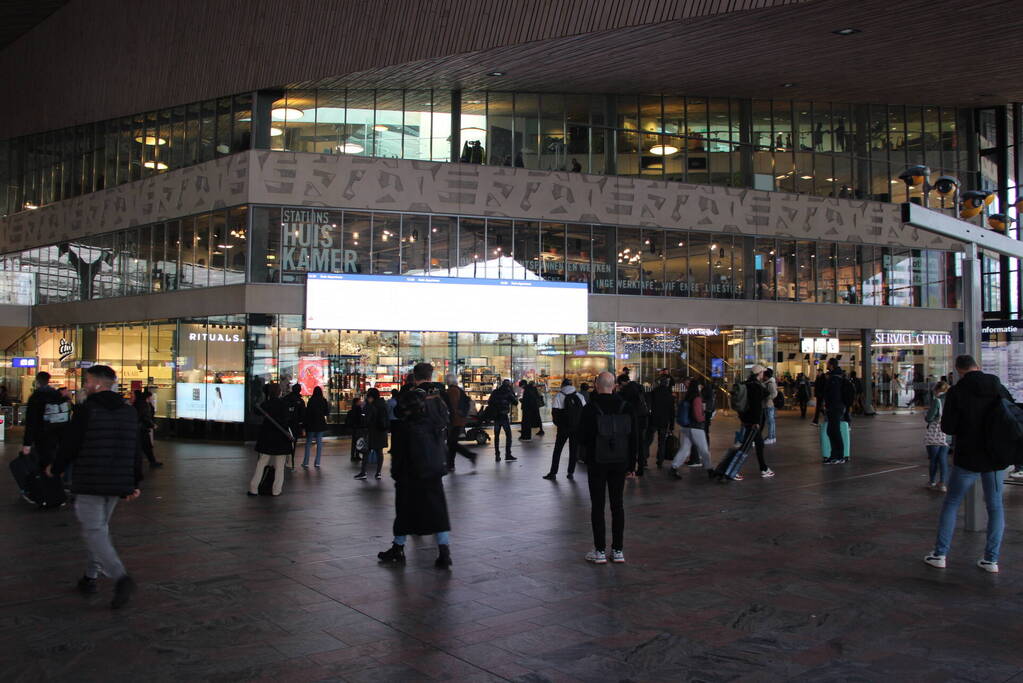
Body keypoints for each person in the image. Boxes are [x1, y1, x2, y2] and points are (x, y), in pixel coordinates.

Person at [46, 365, 141, 609]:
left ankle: (120, 577)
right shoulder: (129, 412)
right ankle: (90, 576)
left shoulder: (88, 410)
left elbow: (71, 445)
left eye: (87, 381)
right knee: (100, 530)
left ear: (97, 383)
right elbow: (135, 449)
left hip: (91, 479)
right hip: (117, 481)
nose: (85, 385)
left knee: (94, 531)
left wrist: (56, 469)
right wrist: (134, 483)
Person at [925, 355, 1012, 573]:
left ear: (958, 370)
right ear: (978, 367)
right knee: (995, 506)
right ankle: (991, 560)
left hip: (968, 458)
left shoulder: (957, 391)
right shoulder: (997, 386)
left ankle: (940, 554)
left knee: (952, 503)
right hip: (995, 458)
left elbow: (948, 427)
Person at [377, 363, 454, 568]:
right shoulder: (439, 399)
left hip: (412, 463)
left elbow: (400, 423)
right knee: (437, 506)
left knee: (404, 506)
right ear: (431, 375)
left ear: (414, 376)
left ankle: (398, 547)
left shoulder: (412, 401)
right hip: (434, 460)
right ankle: (444, 550)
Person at [579, 371, 630, 564]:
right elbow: (633, 437)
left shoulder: (590, 408)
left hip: (597, 461)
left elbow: (582, 437)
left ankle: (599, 550)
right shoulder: (626, 406)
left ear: (596, 385)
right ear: (614, 386)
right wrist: (632, 464)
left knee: (598, 505)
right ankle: (618, 550)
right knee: (618, 505)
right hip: (620, 461)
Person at [248, 383, 293, 496]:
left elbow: (256, 411)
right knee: (279, 466)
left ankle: (253, 488)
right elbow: (287, 419)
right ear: (279, 392)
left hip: (267, 438)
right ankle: (276, 490)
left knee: (261, 463)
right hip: (281, 439)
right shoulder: (283, 404)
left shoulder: (266, 404)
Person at [22, 371, 72, 470]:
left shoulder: (36, 397)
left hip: (42, 436)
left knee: (42, 463)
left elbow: (31, 421)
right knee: (55, 463)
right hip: (59, 437)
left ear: (37, 381)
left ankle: (44, 481)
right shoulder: (58, 395)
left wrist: (27, 443)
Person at [737, 365, 774, 478]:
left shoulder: (747, 384)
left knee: (758, 444)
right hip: (753, 421)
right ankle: (733, 469)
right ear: (759, 373)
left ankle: (763, 468)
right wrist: (756, 422)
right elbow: (756, 406)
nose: (763, 374)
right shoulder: (756, 387)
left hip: (747, 419)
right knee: (746, 446)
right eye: (762, 372)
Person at [544, 379, 585, 480]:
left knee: (558, 450)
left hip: (563, 428)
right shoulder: (579, 396)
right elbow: (584, 412)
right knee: (573, 450)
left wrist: (559, 424)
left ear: (562, 385)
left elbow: (554, 412)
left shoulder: (559, 396)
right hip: (576, 428)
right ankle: (570, 472)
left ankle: (553, 472)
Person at [671, 380, 713, 477]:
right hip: (696, 427)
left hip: (686, 427)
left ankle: (673, 467)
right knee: (704, 450)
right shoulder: (697, 398)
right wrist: (704, 418)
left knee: (684, 450)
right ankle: (710, 470)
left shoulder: (686, 397)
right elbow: (698, 416)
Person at [816, 358, 853, 465]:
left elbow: (834, 395)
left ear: (831, 365)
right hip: (836, 407)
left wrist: (829, 406)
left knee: (835, 431)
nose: (826, 365)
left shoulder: (835, 378)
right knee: (831, 431)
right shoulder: (836, 376)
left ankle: (839, 456)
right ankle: (834, 455)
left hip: (835, 408)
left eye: (828, 363)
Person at [616, 373, 650, 477]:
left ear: (622, 382)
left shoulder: (627, 390)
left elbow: (622, 403)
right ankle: (641, 467)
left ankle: (630, 469)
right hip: (643, 418)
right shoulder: (638, 386)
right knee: (640, 444)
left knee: (631, 445)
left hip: (634, 420)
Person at [445, 374, 477, 472]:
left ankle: (470, 455)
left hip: (455, 420)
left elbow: (453, 406)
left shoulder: (452, 391)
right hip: (459, 420)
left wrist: (450, 419)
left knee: (452, 443)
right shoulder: (458, 390)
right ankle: (451, 465)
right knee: (452, 443)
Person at [356, 388, 390, 480]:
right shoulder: (383, 404)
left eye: (368, 396)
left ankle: (363, 472)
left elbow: (367, 420)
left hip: (372, 432)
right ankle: (378, 473)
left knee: (366, 452)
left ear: (371, 397)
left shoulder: (371, 406)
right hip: (382, 432)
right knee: (379, 452)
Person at [924, 380, 950, 491]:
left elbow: (929, 418)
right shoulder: (950, 401)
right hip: (946, 434)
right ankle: (943, 483)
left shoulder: (937, 401)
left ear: (937, 390)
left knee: (933, 459)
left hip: (934, 434)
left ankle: (932, 481)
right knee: (943, 459)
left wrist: (927, 415)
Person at [648, 375, 675, 468]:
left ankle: (643, 459)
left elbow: (649, 405)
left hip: (653, 419)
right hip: (664, 421)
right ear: (667, 384)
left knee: (648, 440)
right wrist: (671, 426)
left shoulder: (654, 392)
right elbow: (672, 412)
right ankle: (660, 461)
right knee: (662, 442)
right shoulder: (670, 395)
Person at [487, 379, 518, 461]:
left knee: (496, 437)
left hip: (496, 417)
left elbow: (489, 402)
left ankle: (497, 455)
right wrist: (512, 392)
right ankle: (508, 454)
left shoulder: (495, 392)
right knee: (508, 435)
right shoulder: (508, 393)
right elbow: (515, 402)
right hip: (504, 416)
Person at [301, 386, 330, 468]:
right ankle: (317, 462)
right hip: (320, 423)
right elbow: (326, 412)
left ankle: (306, 462)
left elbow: (307, 413)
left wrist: (304, 425)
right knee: (319, 442)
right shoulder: (323, 400)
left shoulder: (311, 400)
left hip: (311, 424)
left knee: (308, 442)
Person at [132, 390, 162, 468]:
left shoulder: (138, 404)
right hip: (142, 429)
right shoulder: (143, 405)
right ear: (148, 397)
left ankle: (151, 461)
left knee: (144, 446)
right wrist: (152, 425)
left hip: (139, 428)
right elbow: (145, 417)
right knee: (146, 446)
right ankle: (152, 462)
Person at [283, 383, 305, 467]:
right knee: (293, 443)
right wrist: (302, 425)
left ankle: (284, 460)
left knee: (285, 442)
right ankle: (290, 461)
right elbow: (302, 415)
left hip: (286, 424)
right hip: (295, 425)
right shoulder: (300, 401)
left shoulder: (285, 399)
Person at [345, 397, 366, 462]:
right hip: (358, 427)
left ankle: (353, 455)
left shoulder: (353, 409)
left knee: (354, 441)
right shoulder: (358, 409)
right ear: (357, 402)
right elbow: (359, 418)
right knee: (358, 441)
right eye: (359, 401)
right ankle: (357, 455)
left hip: (354, 427)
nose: (360, 402)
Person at [762, 368, 778, 445]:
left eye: (764, 375)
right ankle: (772, 437)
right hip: (768, 405)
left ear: (766, 376)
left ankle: (771, 437)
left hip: (768, 405)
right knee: (771, 422)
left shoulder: (770, 383)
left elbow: (774, 394)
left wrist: (767, 397)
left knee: (770, 422)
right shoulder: (769, 382)